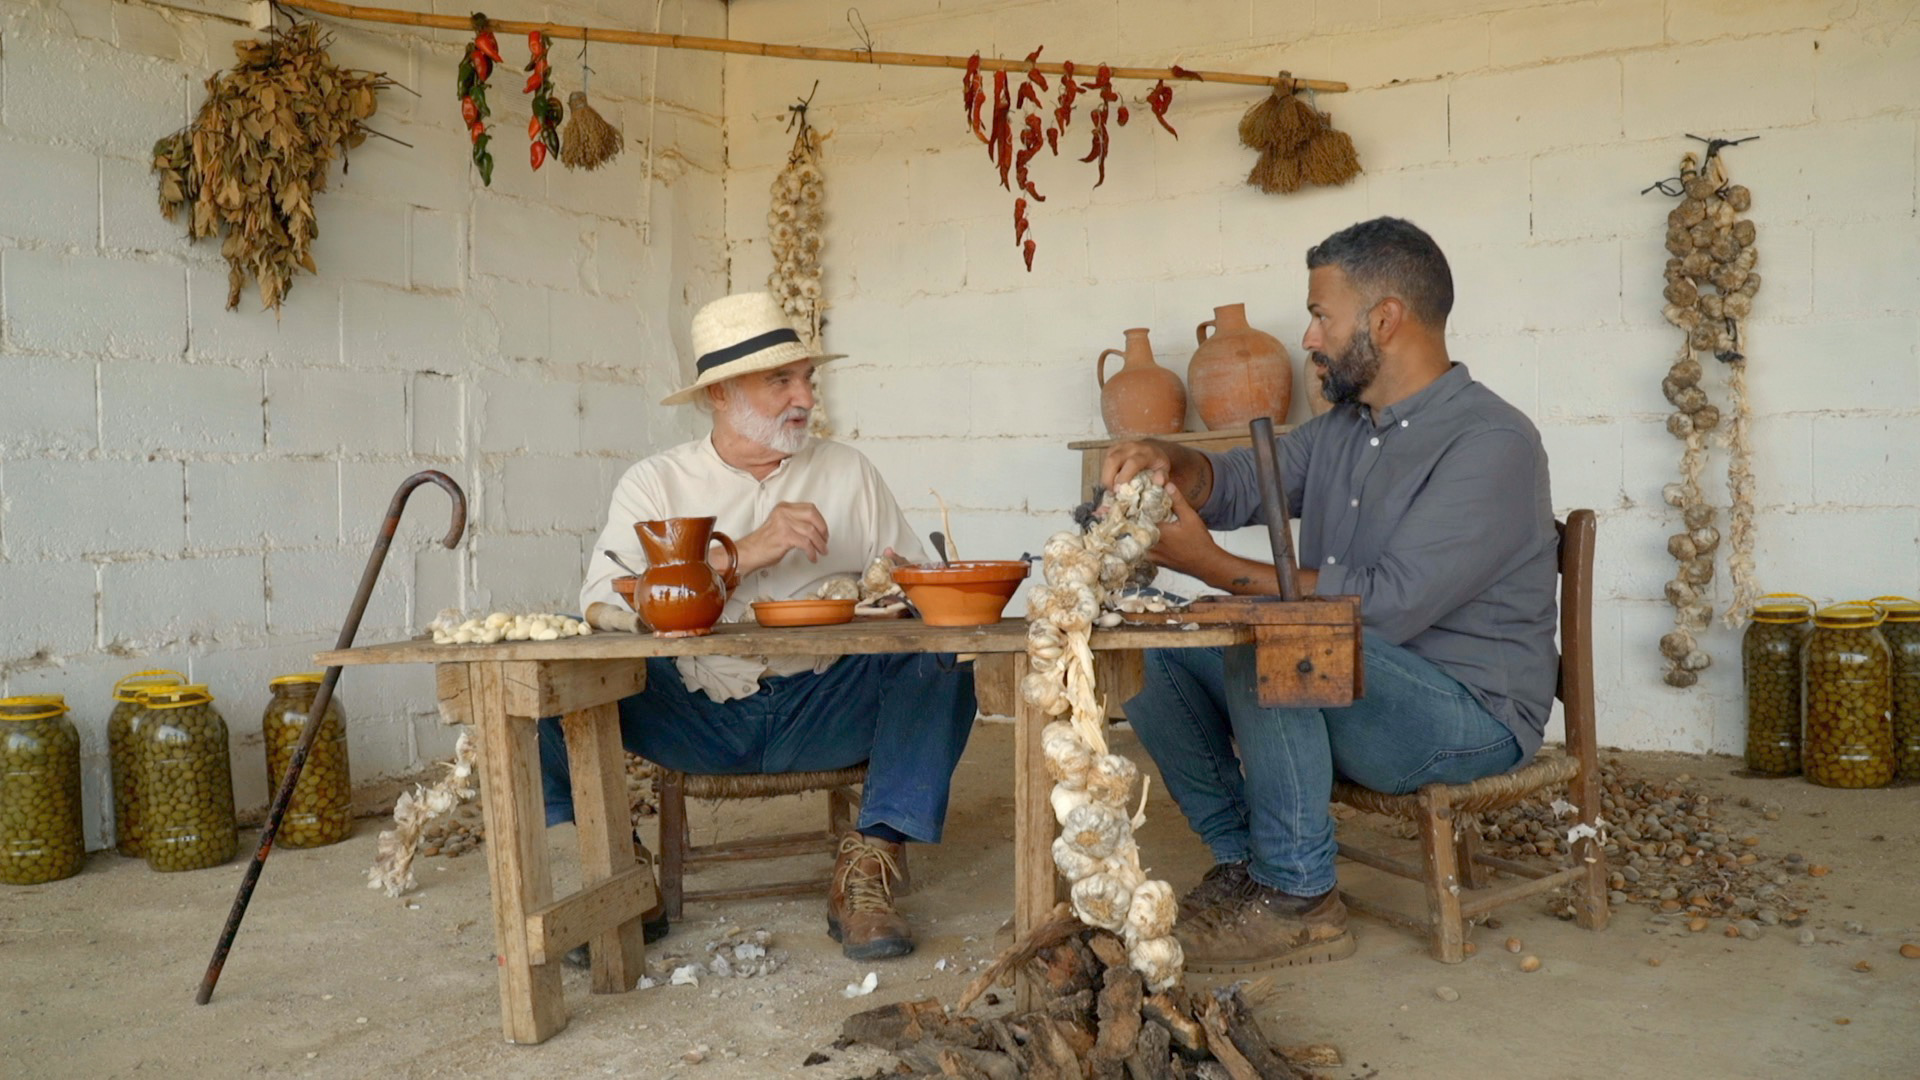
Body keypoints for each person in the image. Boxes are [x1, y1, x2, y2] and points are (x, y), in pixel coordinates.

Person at [1102, 217, 1558, 973]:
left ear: (1384, 320)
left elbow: (1389, 604)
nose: (1309, 338)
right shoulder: (1347, 428)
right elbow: (1244, 483)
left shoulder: (1492, 440)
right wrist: (1172, 461)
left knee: (1273, 637)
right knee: (1153, 644)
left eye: (1321, 315)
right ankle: (1248, 863)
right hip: (1355, 684)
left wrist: (1213, 566)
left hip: (1466, 717)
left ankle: (1300, 899)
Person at [540, 292, 978, 961]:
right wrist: (741, 554)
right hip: (691, 712)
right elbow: (605, 602)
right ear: (720, 393)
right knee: (549, 656)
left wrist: (903, 588)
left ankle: (868, 868)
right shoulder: (655, 482)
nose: (804, 396)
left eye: (806, 378)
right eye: (782, 380)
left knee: (946, 648)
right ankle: (621, 872)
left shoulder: (846, 470)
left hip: (824, 707)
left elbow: (915, 581)